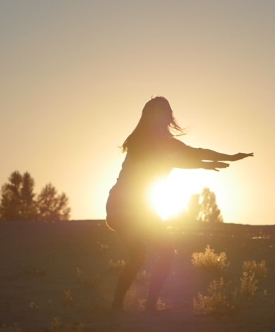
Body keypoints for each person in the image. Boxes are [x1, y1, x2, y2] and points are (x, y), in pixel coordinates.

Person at [106, 96, 253, 312]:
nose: (166, 117)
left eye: (167, 112)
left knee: (148, 254)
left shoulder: (165, 143)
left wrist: (227, 157)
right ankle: (137, 306)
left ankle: (133, 306)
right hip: (126, 208)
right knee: (155, 253)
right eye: (161, 113)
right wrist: (205, 164)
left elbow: (193, 152)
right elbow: (172, 159)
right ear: (150, 116)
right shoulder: (140, 142)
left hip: (136, 208)